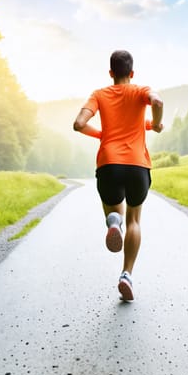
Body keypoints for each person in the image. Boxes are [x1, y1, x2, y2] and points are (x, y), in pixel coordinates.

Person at [73, 50, 164, 301]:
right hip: (137, 166)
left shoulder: (99, 94)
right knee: (135, 220)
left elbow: (79, 123)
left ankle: (114, 222)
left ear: (111, 73)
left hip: (109, 164)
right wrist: (155, 124)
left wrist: (103, 135)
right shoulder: (140, 90)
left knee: (116, 211)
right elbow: (157, 103)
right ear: (132, 73)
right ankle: (127, 274)